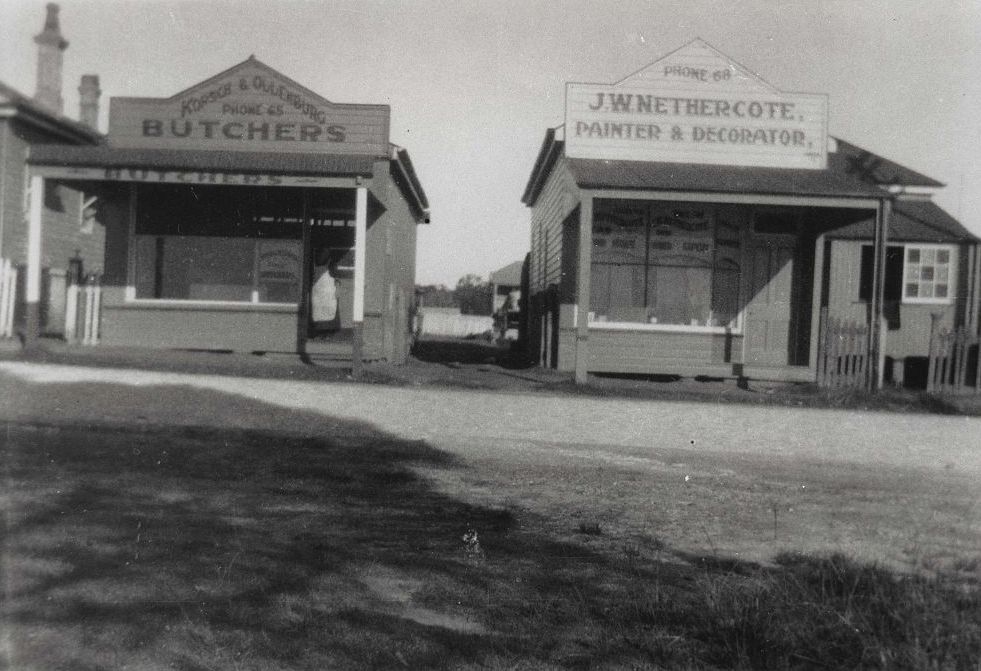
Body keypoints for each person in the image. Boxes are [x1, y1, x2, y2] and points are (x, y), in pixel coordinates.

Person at [311, 248, 339, 329]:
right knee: (319, 310)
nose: (322, 256)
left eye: (325, 254)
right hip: (319, 289)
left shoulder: (331, 264)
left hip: (327, 289)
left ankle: (326, 328)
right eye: (322, 254)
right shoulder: (314, 266)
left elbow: (334, 274)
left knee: (327, 310)